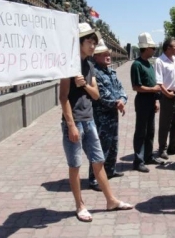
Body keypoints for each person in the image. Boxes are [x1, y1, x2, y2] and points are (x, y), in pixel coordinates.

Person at [59, 23, 132, 223]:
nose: (93, 46)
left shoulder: (89, 66)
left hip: (89, 120)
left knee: (98, 160)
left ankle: (111, 200)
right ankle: (80, 205)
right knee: (75, 165)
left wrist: (83, 84)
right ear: (79, 43)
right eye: (89, 42)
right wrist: (71, 125)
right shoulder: (68, 66)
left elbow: (96, 94)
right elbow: (63, 97)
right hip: (74, 121)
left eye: (94, 42)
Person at [88, 39, 128, 191]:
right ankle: (94, 179)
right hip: (101, 116)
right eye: (103, 54)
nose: (107, 56)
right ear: (96, 57)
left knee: (113, 144)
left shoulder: (111, 72)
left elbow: (121, 89)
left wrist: (122, 100)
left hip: (113, 114)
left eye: (108, 54)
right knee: (100, 147)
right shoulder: (94, 73)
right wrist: (117, 102)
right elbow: (101, 95)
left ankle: (110, 171)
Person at [130, 32, 164, 173]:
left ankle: (148, 156)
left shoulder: (149, 64)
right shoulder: (137, 65)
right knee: (141, 131)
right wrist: (153, 89)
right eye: (152, 48)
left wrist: (156, 99)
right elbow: (136, 87)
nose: (154, 50)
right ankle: (138, 160)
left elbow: (153, 83)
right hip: (143, 101)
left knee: (150, 131)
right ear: (146, 48)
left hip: (150, 100)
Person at [155, 37, 175, 160]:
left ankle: (173, 147)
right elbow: (159, 82)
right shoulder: (160, 61)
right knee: (165, 123)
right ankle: (162, 148)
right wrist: (167, 93)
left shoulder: (174, 60)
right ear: (168, 48)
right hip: (168, 95)